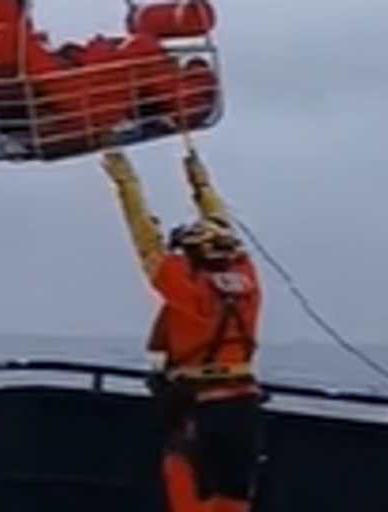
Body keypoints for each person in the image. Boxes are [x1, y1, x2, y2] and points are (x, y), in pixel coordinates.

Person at [101, 148, 263, 512]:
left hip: (200, 407)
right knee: (234, 497)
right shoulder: (248, 281)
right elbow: (222, 224)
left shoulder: (186, 290)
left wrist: (126, 184)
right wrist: (201, 184)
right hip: (244, 406)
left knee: (187, 486)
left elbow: (146, 244)